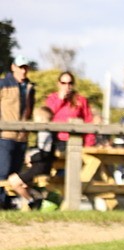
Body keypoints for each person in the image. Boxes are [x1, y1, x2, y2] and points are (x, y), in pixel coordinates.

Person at [0, 53, 36, 210]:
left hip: (22, 137)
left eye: (26, 67)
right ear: (13, 67)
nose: (23, 71)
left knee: (16, 172)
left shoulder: (30, 88)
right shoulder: (3, 84)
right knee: (3, 171)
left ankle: (8, 202)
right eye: (21, 67)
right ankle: (1, 202)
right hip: (5, 136)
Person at [4, 106, 54, 210]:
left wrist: (30, 157)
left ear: (41, 119)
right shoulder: (43, 133)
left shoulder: (45, 133)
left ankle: (32, 201)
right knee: (20, 182)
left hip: (40, 167)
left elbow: (44, 152)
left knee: (13, 181)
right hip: (38, 166)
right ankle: (35, 197)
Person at [44, 71, 96, 150]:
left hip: (75, 140)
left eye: (70, 83)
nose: (67, 86)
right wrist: (60, 99)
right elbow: (47, 115)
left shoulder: (81, 100)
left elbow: (88, 121)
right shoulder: (52, 98)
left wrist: (89, 144)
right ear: (58, 84)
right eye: (63, 83)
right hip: (55, 140)